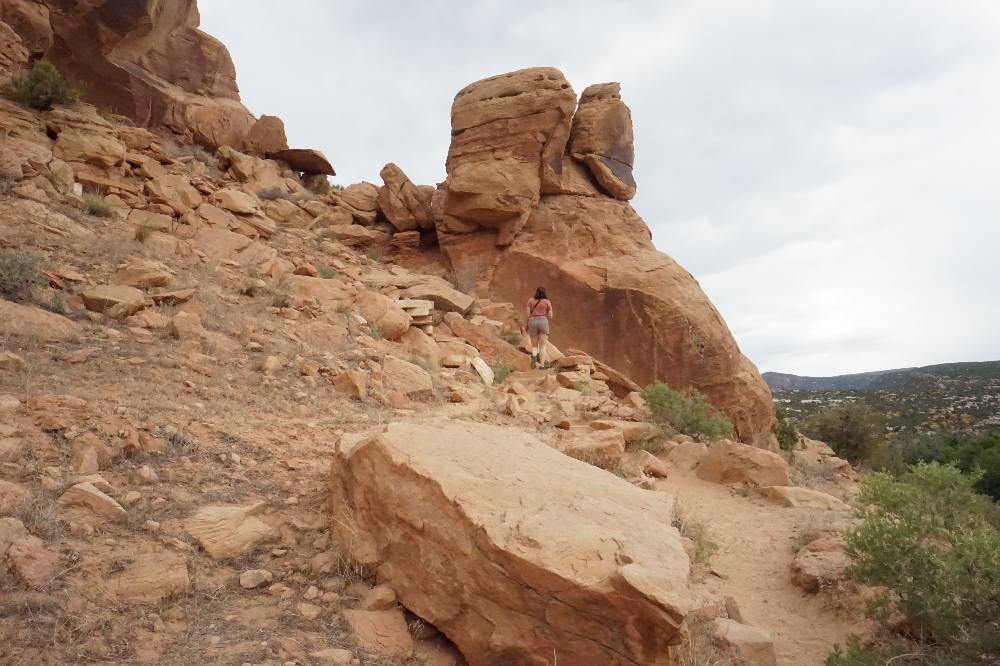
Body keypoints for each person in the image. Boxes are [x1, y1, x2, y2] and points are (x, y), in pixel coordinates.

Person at [526, 286, 554, 369]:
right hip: (543, 321)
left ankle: (534, 356)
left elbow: (528, 314)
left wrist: (527, 325)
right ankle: (542, 366)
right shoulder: (547, 302)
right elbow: (550, 315)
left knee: (534, 346)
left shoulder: (530, 300)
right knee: (542, 346)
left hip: (532, 321)